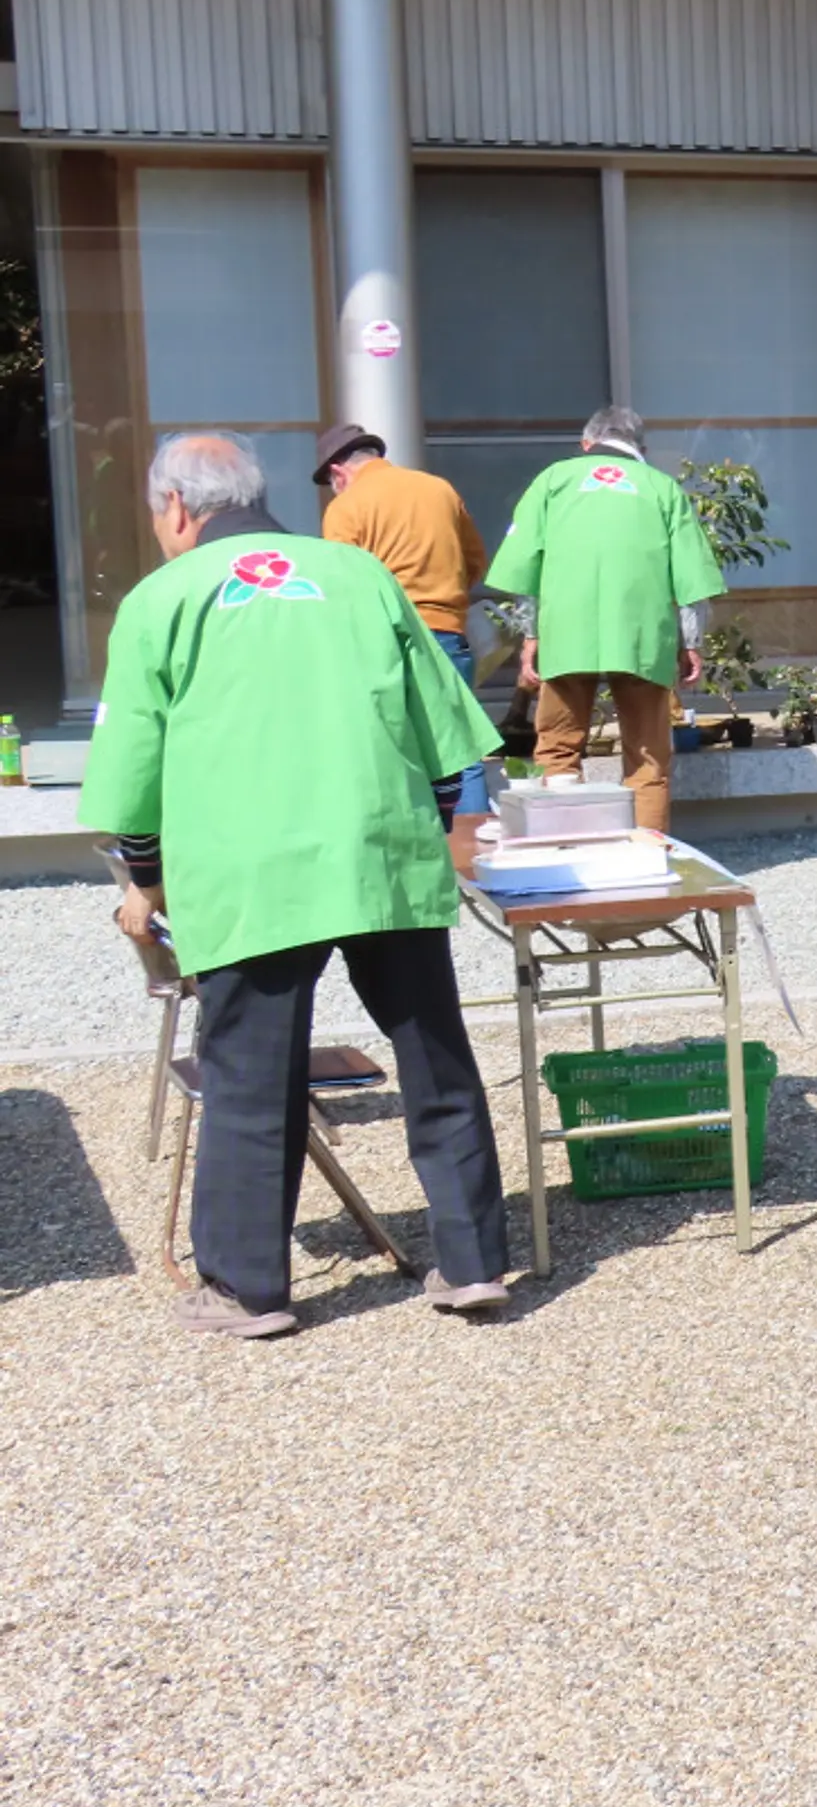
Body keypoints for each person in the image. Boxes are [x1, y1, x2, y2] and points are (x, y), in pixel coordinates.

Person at [80, 433, 510, 1338]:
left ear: (175, 509)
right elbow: (443, 735)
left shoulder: (163, 599)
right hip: (378, 851)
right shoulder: (359, 578)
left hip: (251, 869)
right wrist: (428, 827)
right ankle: (472, 1263)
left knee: (249, 1074)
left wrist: (148, 877)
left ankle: (249, 1290)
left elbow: (131, 769)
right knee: (433, 1054)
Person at [486, 406, 727, 837]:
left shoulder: (552, 481)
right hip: (642, 635)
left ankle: (565, 852)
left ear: (586, 444)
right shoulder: (661, 487)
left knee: (558, 750)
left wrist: (531, 634)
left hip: (565, 631)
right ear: (642, 449)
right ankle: (649, 857)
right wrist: (692, 643)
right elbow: (690, 578)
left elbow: (525, 569)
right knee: (648, 758)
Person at [315, 422, 493, 824]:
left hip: (384, 641)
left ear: (339, 473)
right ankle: (473, 857)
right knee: (461, 750)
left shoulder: (346, 507)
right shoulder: (438, 489)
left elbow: (344, 587)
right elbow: (475, 559)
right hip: (448, 632)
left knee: (391, 750)